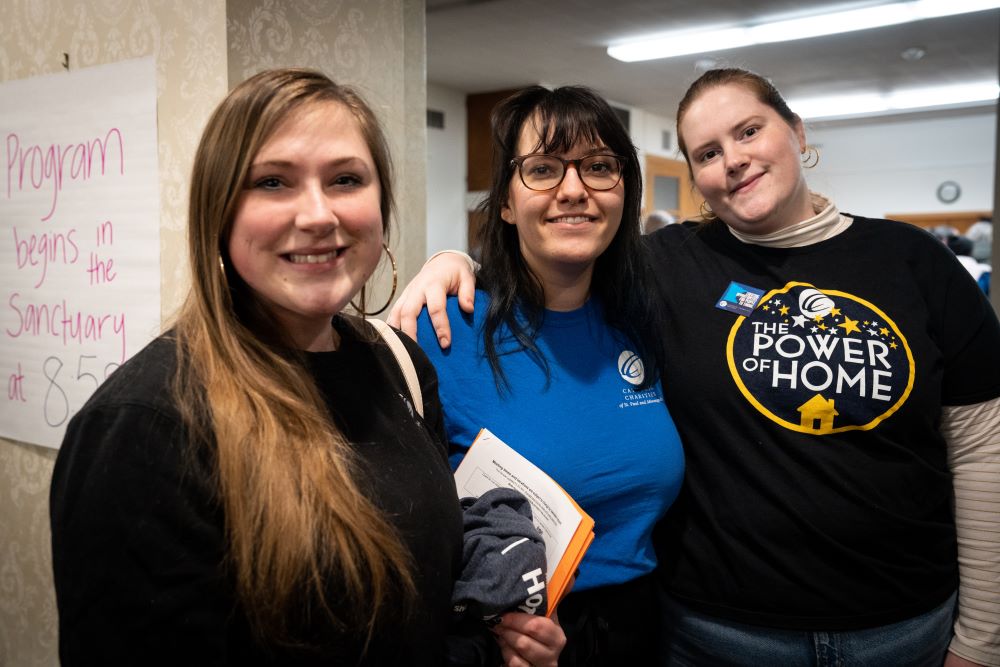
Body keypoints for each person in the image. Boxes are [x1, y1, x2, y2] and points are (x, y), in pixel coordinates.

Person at [389, 68, 1000, 666]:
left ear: (798, 132)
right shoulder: (662, 272)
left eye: (749, 131)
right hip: (703, 633)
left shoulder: (910, 262)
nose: (732, 160)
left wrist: (982, 640)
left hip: (889, 625)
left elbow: (982, 453)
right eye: (707, 152)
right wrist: (450, 260)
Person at [50, 68, 563, 667]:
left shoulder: (396, 364)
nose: (318, 215)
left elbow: (420, 604)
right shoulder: (147, 427)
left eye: (346, 179)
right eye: (272, 182)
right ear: (218, 214)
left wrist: (497, 645)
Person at [412, 85, 685, 666]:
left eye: (599, 168)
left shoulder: (645, 322)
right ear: (506, 203)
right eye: (542, 169)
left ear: (624, 192)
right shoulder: (442, 333)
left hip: (649, 627)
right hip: (511, 641)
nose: (573, 190)